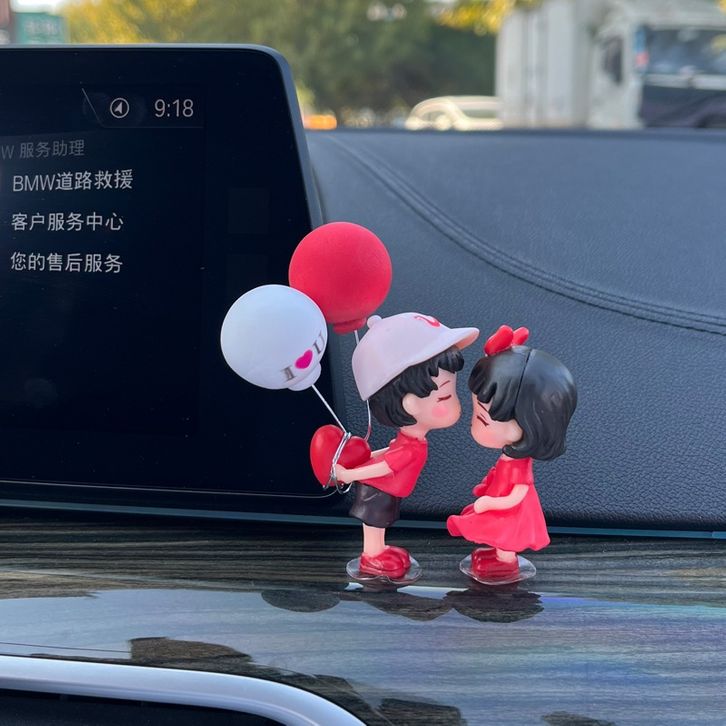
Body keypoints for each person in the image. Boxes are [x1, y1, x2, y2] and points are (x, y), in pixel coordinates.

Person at [335, 312, 478, 580]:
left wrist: (364, 459)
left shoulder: (409, 442)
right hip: (380, 489)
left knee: (378, 522)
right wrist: (350, 474)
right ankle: (372, 556)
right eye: (445, 395)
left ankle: (377, 551)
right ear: (409, 404)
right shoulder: (410, 449)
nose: (456, 403)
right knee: (375, 522)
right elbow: (387, 465)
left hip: (386, 488)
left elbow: (387, 455)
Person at [447, 325, 577, 583]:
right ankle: (498, 556)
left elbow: (519, 493)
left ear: (529, 425)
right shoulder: (510, 459)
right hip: (499, 499)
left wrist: (491, 503)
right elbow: (500, 475)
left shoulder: (520, 466)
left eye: (482, 419)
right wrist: (488, 485)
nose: (472, 423)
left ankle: (505, 562)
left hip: (512, 511)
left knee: (505, 533)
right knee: (496, 532)